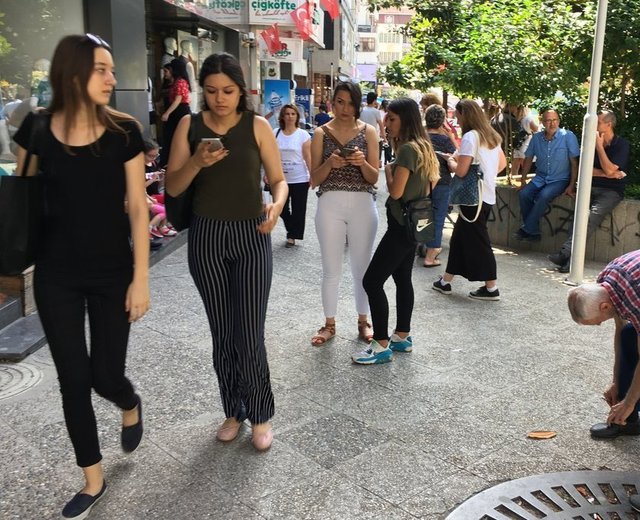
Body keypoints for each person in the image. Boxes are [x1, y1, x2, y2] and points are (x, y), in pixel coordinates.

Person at [13, 34, 149, 519]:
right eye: (101, 69)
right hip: (56, 275)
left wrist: (141, 278)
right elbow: (22, 195)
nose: (113, 78)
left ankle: (129, 403)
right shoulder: (37, 128)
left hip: (113, 273)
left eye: (112, 69)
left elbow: (139, 208)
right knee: (73, 379)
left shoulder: (124, 132)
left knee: (105, 376)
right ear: (73, 75)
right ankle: (93, 480)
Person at [165, 52, 287, 451]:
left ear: (241, 91)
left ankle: (260, 412)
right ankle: (233, 410)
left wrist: (277, 205)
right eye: (212, 90)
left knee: (249, 332)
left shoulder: (258, 126)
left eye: (228, 91)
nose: (220, 99)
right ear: (202, 90)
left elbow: (278, 179)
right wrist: (197, 161)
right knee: (222, 332)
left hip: (252, 234)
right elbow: (173, 187)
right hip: (208, 237)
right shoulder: (188, 125)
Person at [352, 98, 439, 364]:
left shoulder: (408, 150)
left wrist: (388, 171)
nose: (386, 123)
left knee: (371, 281)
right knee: (403, 279)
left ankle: (381, 345)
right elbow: (434, 180)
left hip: (401, 226)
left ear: (406, 120)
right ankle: (402, 336)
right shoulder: (424, 146)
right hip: (415, 224)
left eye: (391, 118)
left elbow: (396, 191)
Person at [309, 82, 379, 346]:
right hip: (330, 204)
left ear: (357, 104)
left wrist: (362, 163)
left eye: (350, 103)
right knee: (331, 269)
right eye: (340, 102)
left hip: (363, 204)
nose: (345, 108)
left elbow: (374, 178)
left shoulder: (369, 131)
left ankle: (364, 320)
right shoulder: (320, 133)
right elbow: (314, 179)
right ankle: (329, 324)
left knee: (362, 268)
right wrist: (330, 163)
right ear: (332, 102)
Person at [432, 99, 506, 300]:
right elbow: (501, 164)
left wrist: (450, 162)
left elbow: (461, 171)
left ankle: (491, 287)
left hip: (472, 199)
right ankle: (445, 281)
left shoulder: (470, 136)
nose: (457, 121)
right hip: (486, 195)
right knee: (459, 238)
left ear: (465, 115)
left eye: (458, 117)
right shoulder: (491, 136)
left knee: (479, 242)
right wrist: (485, 172)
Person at [567, 251, 640, 440]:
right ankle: (628, 420)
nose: (600, 324)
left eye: (597, 322)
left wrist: (629, 401)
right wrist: (617, 382)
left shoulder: (635, 298)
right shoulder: (606, 281)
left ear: (604, 307)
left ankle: (629, 409)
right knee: (628, 334)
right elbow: (620, 329)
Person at [549, 110, 630, 273]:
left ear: (609, 125)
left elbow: (609, 169)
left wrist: (599, 147)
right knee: (578, 218)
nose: (594, 126)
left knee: (590, 218)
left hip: (611, 191)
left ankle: (565, 255)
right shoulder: (589, 142)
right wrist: (608, 173)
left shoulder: (621, 145)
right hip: (589, 186)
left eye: (598, 122)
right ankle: (569, 261)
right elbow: (584, 169)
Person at [515, 109, 580, 241]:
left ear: (559, 121)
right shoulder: (536, 138)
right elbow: (528, 158)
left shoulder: (568, 136)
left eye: (555, 120)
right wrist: (523, 180)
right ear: (543, 122)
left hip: (560, 179)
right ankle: (533, 232)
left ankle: (526, 229)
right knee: (524, 194)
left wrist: (571, 185)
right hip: (540, 177)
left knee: (543, 196)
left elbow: (574, 163)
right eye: (548, 120)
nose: (552, 123)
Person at [423, 104, 457, 267]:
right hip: (442, 183)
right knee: (438, 218)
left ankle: (421, 246)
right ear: (442, 121)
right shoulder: (445, 140)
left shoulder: (420, 137)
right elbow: (455, 158)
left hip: (421, 182)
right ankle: (430, 256)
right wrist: (450, 135)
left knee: (421, 214)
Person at [275, 104, 312, 247]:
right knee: (281, 208)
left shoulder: (303, 135)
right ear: (282, 117)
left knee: (298, 209)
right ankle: (292, 229)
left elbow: (307, 156)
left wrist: (312, 175)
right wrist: (267, 173)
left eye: (293, 114)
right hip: (280, 178)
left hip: (299, 178)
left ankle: (292, 235)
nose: (290, 117)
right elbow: (270, 155)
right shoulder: (275, 133)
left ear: (297, 116)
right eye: (287, 114)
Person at [159, 58, 191, 167]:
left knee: (176, 136)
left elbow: (178, 99)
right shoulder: (176, 82)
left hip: (179, 112)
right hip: (177, 112)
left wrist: (167, 113)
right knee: (170, 136)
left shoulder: (181, 82)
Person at [509, 106, 539, 183]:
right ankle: (524, 180)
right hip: (526, 142)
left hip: (518, 143)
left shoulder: (517, 119)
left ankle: (513, 179)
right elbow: (536, 129)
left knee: (515, 163)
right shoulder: (528, 119)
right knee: (525, 163)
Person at [359, 91, 386, 163]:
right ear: (374, 100)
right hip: (374, 138)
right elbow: (381, 126)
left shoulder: (361, 110)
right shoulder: (376, 112)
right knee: (375, 161)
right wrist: (384, 138)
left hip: (361, 138)